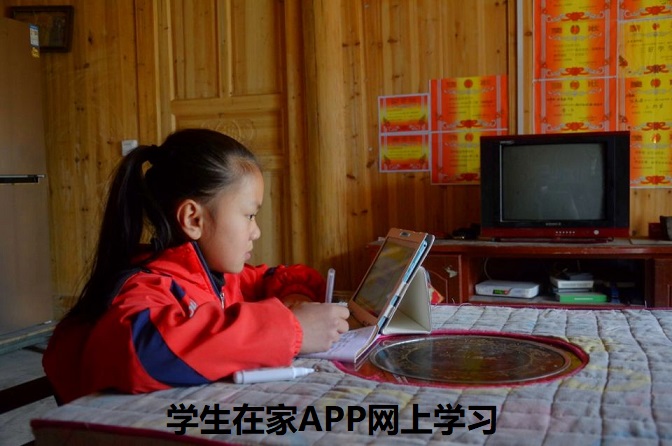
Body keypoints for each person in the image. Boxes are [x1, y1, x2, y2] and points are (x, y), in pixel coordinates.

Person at [43, 128, 350, 404]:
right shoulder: (145, 287)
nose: (255, 231)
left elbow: (277, 276)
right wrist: (293, 329)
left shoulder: (216, 276)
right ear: (193, 219)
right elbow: (143, 351)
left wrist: (296, 298)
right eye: (249, 215)